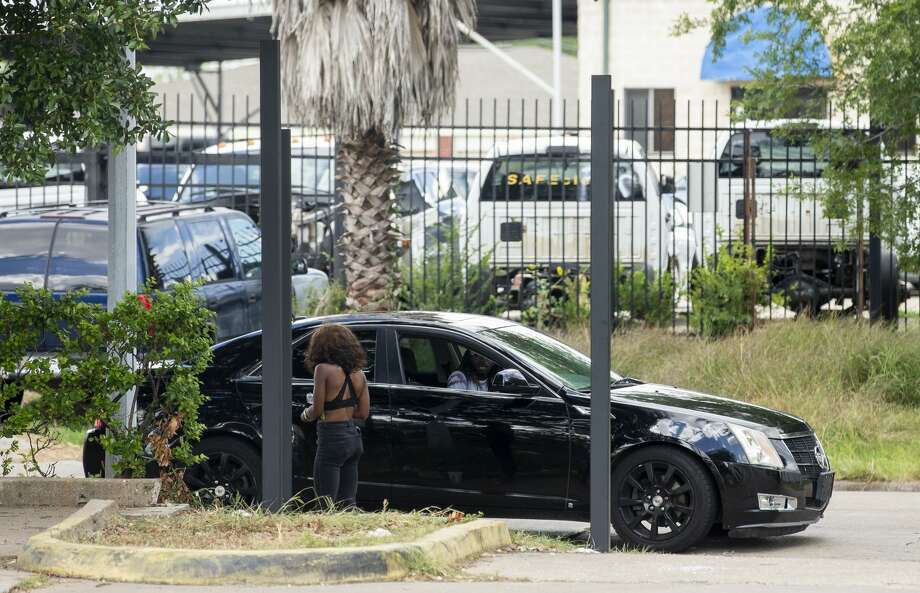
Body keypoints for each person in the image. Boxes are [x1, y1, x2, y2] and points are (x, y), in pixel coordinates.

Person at [300, 324, 370, 509]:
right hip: (353, 439)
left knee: (325, 504)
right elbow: (363, 413)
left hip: (332, 438)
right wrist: (344, 411)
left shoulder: (322, 370)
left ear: (321, 347)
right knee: (348, 504)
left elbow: (316, 410)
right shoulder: (359, 374)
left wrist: (305, 414)